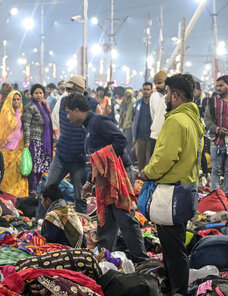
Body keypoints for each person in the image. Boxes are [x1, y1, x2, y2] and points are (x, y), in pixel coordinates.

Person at [67, 92, 149, 263]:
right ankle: (105, 258)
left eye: (68, 112)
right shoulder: (88, 126)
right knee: (106, 220)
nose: (68, 117)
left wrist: (103, 157)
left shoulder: (98, 121)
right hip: (105, 178)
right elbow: (95, 159)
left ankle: (142, 259)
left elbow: (121, 140)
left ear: (76, 110)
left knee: (124, 217)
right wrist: (90, 182)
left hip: (119, 174)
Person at [143, 73, 204, 296]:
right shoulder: (194, 120)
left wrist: (147, 172)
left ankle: (178, 293)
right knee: (174, 244)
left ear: (176, 95)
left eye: (168, 93)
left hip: (171, 192)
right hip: (187, 188)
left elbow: (164, 158)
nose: (166, 97)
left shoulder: (175, 120)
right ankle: (173, 287)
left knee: (174, 247)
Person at [43, 75, 98, 213]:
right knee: (48, 189)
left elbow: (95, 132)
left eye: (72, 91)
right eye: (68, 90)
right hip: (61, 155)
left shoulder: (93, 104)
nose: (69, 93)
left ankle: (80, 226)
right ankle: (43, 220)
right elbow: (60, 125)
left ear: (81, 91)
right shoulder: (63, 102)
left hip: (79, 160)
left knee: (80, 195)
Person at [22, 83, 53, 196]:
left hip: (44, 141)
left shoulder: (44, 106)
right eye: (36, 93)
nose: (39, 95)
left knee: (41, 167)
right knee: (35, 167)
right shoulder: (30, 107)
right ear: (32, 94)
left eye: (41, 93)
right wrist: (27, 141)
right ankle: (32, 190)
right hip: (34, 141)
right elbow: (26, 125)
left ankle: (35, 188)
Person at [0, 90, 28, 197]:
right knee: (7, 175)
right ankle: (7, 195)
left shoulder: (22, 112)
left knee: (17, 174)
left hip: (18, 148)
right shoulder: (6, 113)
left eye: (18, 99)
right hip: (7, 148)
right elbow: (13, 124)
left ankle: (17, 195)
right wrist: (18, 112)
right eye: (14, 100)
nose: (16, 102)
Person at [39, 180, 85, 247]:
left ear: (48, 201)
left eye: (42, 200)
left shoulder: (53, 216)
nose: (42, 203)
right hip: (80, 248)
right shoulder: (69, 209)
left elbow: (49, 240)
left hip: (68, 251)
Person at [132, 81, 163, 173]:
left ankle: (148, 181)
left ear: (151, 91)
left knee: (149, 160)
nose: (146, 91)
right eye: (144, 89)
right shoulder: (137, 104)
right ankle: (140, 182)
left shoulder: (154, 104)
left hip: (151, 137)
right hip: (140, 137)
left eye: (148, 89)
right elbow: (133, 118)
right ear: (142, 90)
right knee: (140, 160)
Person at [117, 88, 135, 163]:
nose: (127, 96)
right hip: (123, 124)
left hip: (129, 125)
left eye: (129, 94)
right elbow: (121, 111)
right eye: (126, 94)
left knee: (128, 142)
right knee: (124, 141)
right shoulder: (124, 102)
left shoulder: (133, 102)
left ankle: (128, 159)